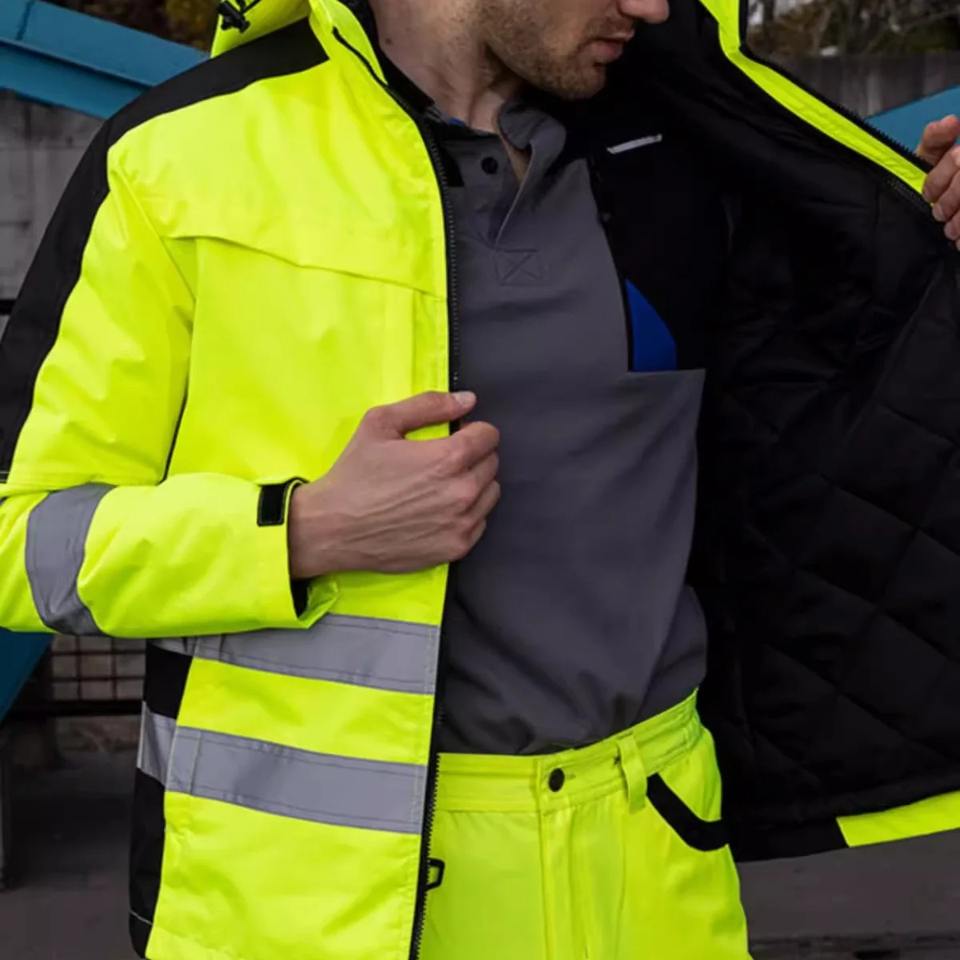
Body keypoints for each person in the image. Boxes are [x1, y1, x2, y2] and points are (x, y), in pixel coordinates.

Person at [1, 0, 959, 957]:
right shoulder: (176, 157)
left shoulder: (692, 145)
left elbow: (882, 392)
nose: (653, 6)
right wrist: (302, 532)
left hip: (658, 876)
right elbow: (22, 536)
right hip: (319, 913)